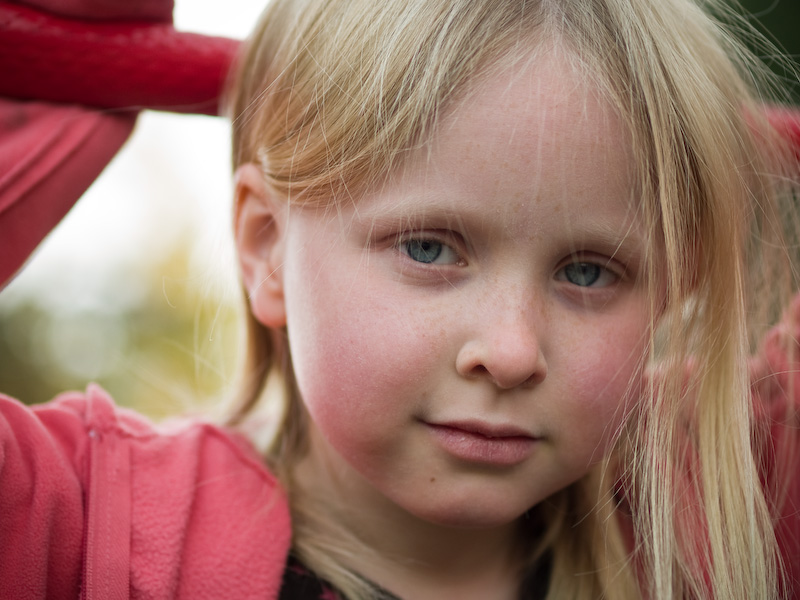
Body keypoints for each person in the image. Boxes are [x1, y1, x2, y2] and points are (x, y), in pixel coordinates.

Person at [1, 0, 799, 598]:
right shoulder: (91, 529)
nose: (512, 351)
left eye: (588, 272)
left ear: (672, 287)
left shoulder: (718, 513)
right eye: (429, 248)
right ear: (266, 247)